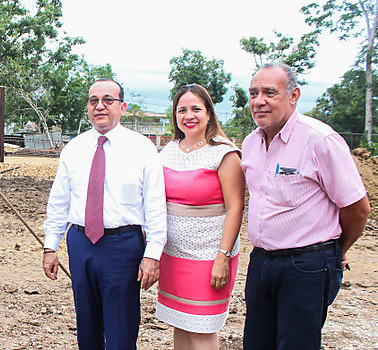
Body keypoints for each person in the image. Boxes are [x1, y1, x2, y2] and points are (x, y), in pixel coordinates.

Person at [241, 63, 370, 349]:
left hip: (307, 265)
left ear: (294, 96)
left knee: (297, 343)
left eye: (270, 93)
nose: (259, 101)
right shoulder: (250, 144)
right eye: (253, 93)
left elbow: (357, 209)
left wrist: (337, 251)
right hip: (261, 262)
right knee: (256, 342)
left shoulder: (320, 140)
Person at [42, 78, 167, 349]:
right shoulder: (73, 149)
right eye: (93, 100)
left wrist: (153, 254)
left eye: (108, 100)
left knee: (121, 327)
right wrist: (50, 246)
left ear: (122, 107)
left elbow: (155, 205)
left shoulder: (142, 148)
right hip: (81, 243)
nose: (100, 106)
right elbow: (59, 201)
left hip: (123, 246)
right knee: (86, 324)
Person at [154, 84, 244, 349]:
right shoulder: (168, 150)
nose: (188, 115)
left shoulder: (224, 152)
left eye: (196, 108)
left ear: (209, 114)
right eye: (182, 110)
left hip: (209, 256)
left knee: (202, 329)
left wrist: (222, 258)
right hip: (173, 254)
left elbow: (236, 208)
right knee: (181, 324)